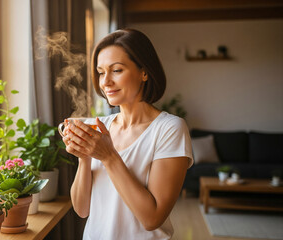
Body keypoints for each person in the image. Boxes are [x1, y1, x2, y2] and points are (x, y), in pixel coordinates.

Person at [62, 29, 193, 239]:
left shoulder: (169, 129)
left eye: (117, 70)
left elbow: (152, 219)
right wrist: (84, 158)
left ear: (144, 72)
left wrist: (108, 156)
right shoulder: (98, 127)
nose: (105, 82)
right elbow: (82, 209)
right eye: (101, 72)